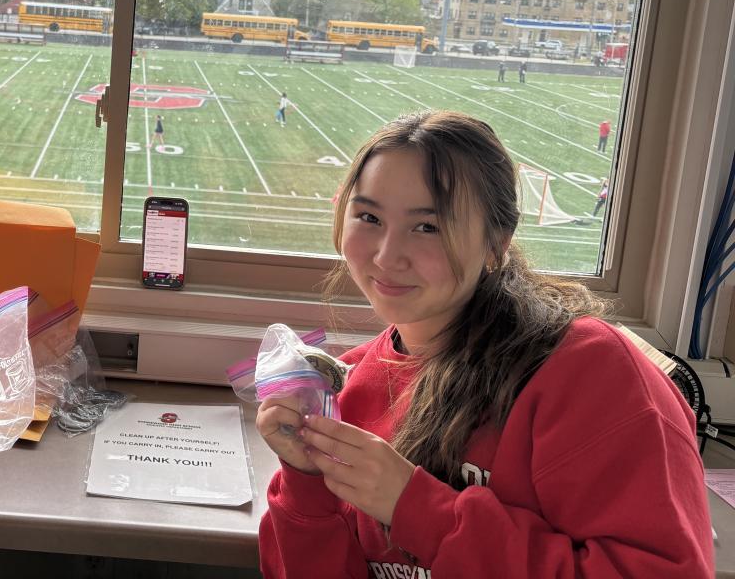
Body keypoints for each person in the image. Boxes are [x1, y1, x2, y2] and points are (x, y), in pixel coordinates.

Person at [256, 110, 712, 579]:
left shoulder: (590, 374)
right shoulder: (350, 388)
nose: (387, 256)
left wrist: (418, 509)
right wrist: (305, 482)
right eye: (369, 217)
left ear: (497, 242)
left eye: (428, 226)